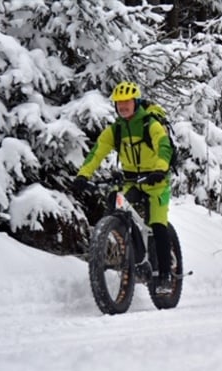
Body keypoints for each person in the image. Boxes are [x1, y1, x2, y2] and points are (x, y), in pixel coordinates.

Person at [72, 81, 174, 295]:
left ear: (135, 102)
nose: (123, 106)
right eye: (119, 103)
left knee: (158, 224)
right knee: (118, 207)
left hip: (156, 181)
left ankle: (165, 275)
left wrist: (160, 168)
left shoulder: (150, 125)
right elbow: (97, 152)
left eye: (127, 102)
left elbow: (163, 146)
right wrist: (83, 175)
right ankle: (132, 254)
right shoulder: (116, 130)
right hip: (131, 180)